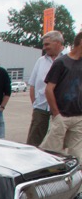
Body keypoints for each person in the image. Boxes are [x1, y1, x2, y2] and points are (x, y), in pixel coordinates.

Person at [39, 32, 82, 160]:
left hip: (78, 116)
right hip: (62, 115)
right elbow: (49, 89)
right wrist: (56, 113)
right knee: (51, 152)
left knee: (78, 155)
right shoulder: (61, 63)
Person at [26, 31, 64, 146]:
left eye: (47, 44)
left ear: (57, 43)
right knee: (33, 142)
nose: (44, 47)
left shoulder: (67, 60)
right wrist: (35, 104)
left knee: (57, 142)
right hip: (41, 108)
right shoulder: (40, 61)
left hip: (61, 109)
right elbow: (32, 85)